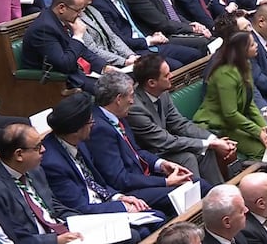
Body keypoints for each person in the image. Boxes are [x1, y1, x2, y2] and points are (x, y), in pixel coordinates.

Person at [41, 93, 161, 242]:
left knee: (156, 219)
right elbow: (80, 207)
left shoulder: (78, 142)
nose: (94, 124)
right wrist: (123, 207)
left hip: (103, 203)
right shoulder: (52, 163)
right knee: (140, 232)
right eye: (90, 122)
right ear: (76, 130)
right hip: (86, 217)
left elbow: (97, 182)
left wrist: (120, 197)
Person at [87, 72, 206, 217]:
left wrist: (161, 164)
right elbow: (119, 179)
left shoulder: (117, 114)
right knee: (198, 188)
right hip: (131, 191)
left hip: (143, 177)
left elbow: (136, 151)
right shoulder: (99, 128)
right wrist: (165, 182)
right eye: (131, 95)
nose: (132, 101)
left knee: (196, 183)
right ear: (118, 99)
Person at [128, 54, 235, 186]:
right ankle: (196, 202)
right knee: (188, 157)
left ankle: (220, 192)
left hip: (169, 147)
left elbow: (180, 123)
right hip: (152, 156)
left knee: (206, 150)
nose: (171, 76)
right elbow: (164, 141)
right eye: (166, 75)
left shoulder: (162, 93)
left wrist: (213, 140)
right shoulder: (135, 109)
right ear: (152, 83)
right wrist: (209, 143)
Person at [92, 0, 205, 69]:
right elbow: (118, 38)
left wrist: (153, 35)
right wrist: (148, 40)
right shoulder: (100, 5)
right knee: (177, 65)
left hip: (149, 40)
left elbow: (136, 23)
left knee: (196, 53)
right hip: (133, 51)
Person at [193, 31, 267, 161]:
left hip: (231, 124)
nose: (256, 46)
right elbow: (230, 114)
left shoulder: (245, 65)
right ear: (241, 50)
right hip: (214, 126)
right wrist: (257, 131)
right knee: (262, 151)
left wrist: (263, 125)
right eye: (252, 44)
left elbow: (250, 103)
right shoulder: (225, 74)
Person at [0, 122, 85, 244]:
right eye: (38, 147)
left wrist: (82, 221)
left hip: (64, 232)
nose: (44, 150)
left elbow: (52, 205)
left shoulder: (35, 170)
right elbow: (14, 236)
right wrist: (55, 240)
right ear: (19, 154)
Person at [22, 0, 110, 93]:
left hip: (75, 74)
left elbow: (82, 50)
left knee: (121, 80)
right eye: (77, 11)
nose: (80, 15)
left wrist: (104, 67)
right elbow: (64, 64)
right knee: (114, 90)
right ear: (61, 8)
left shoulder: (60, 19)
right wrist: (77, 36)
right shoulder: (44, 29)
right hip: (55, 83)